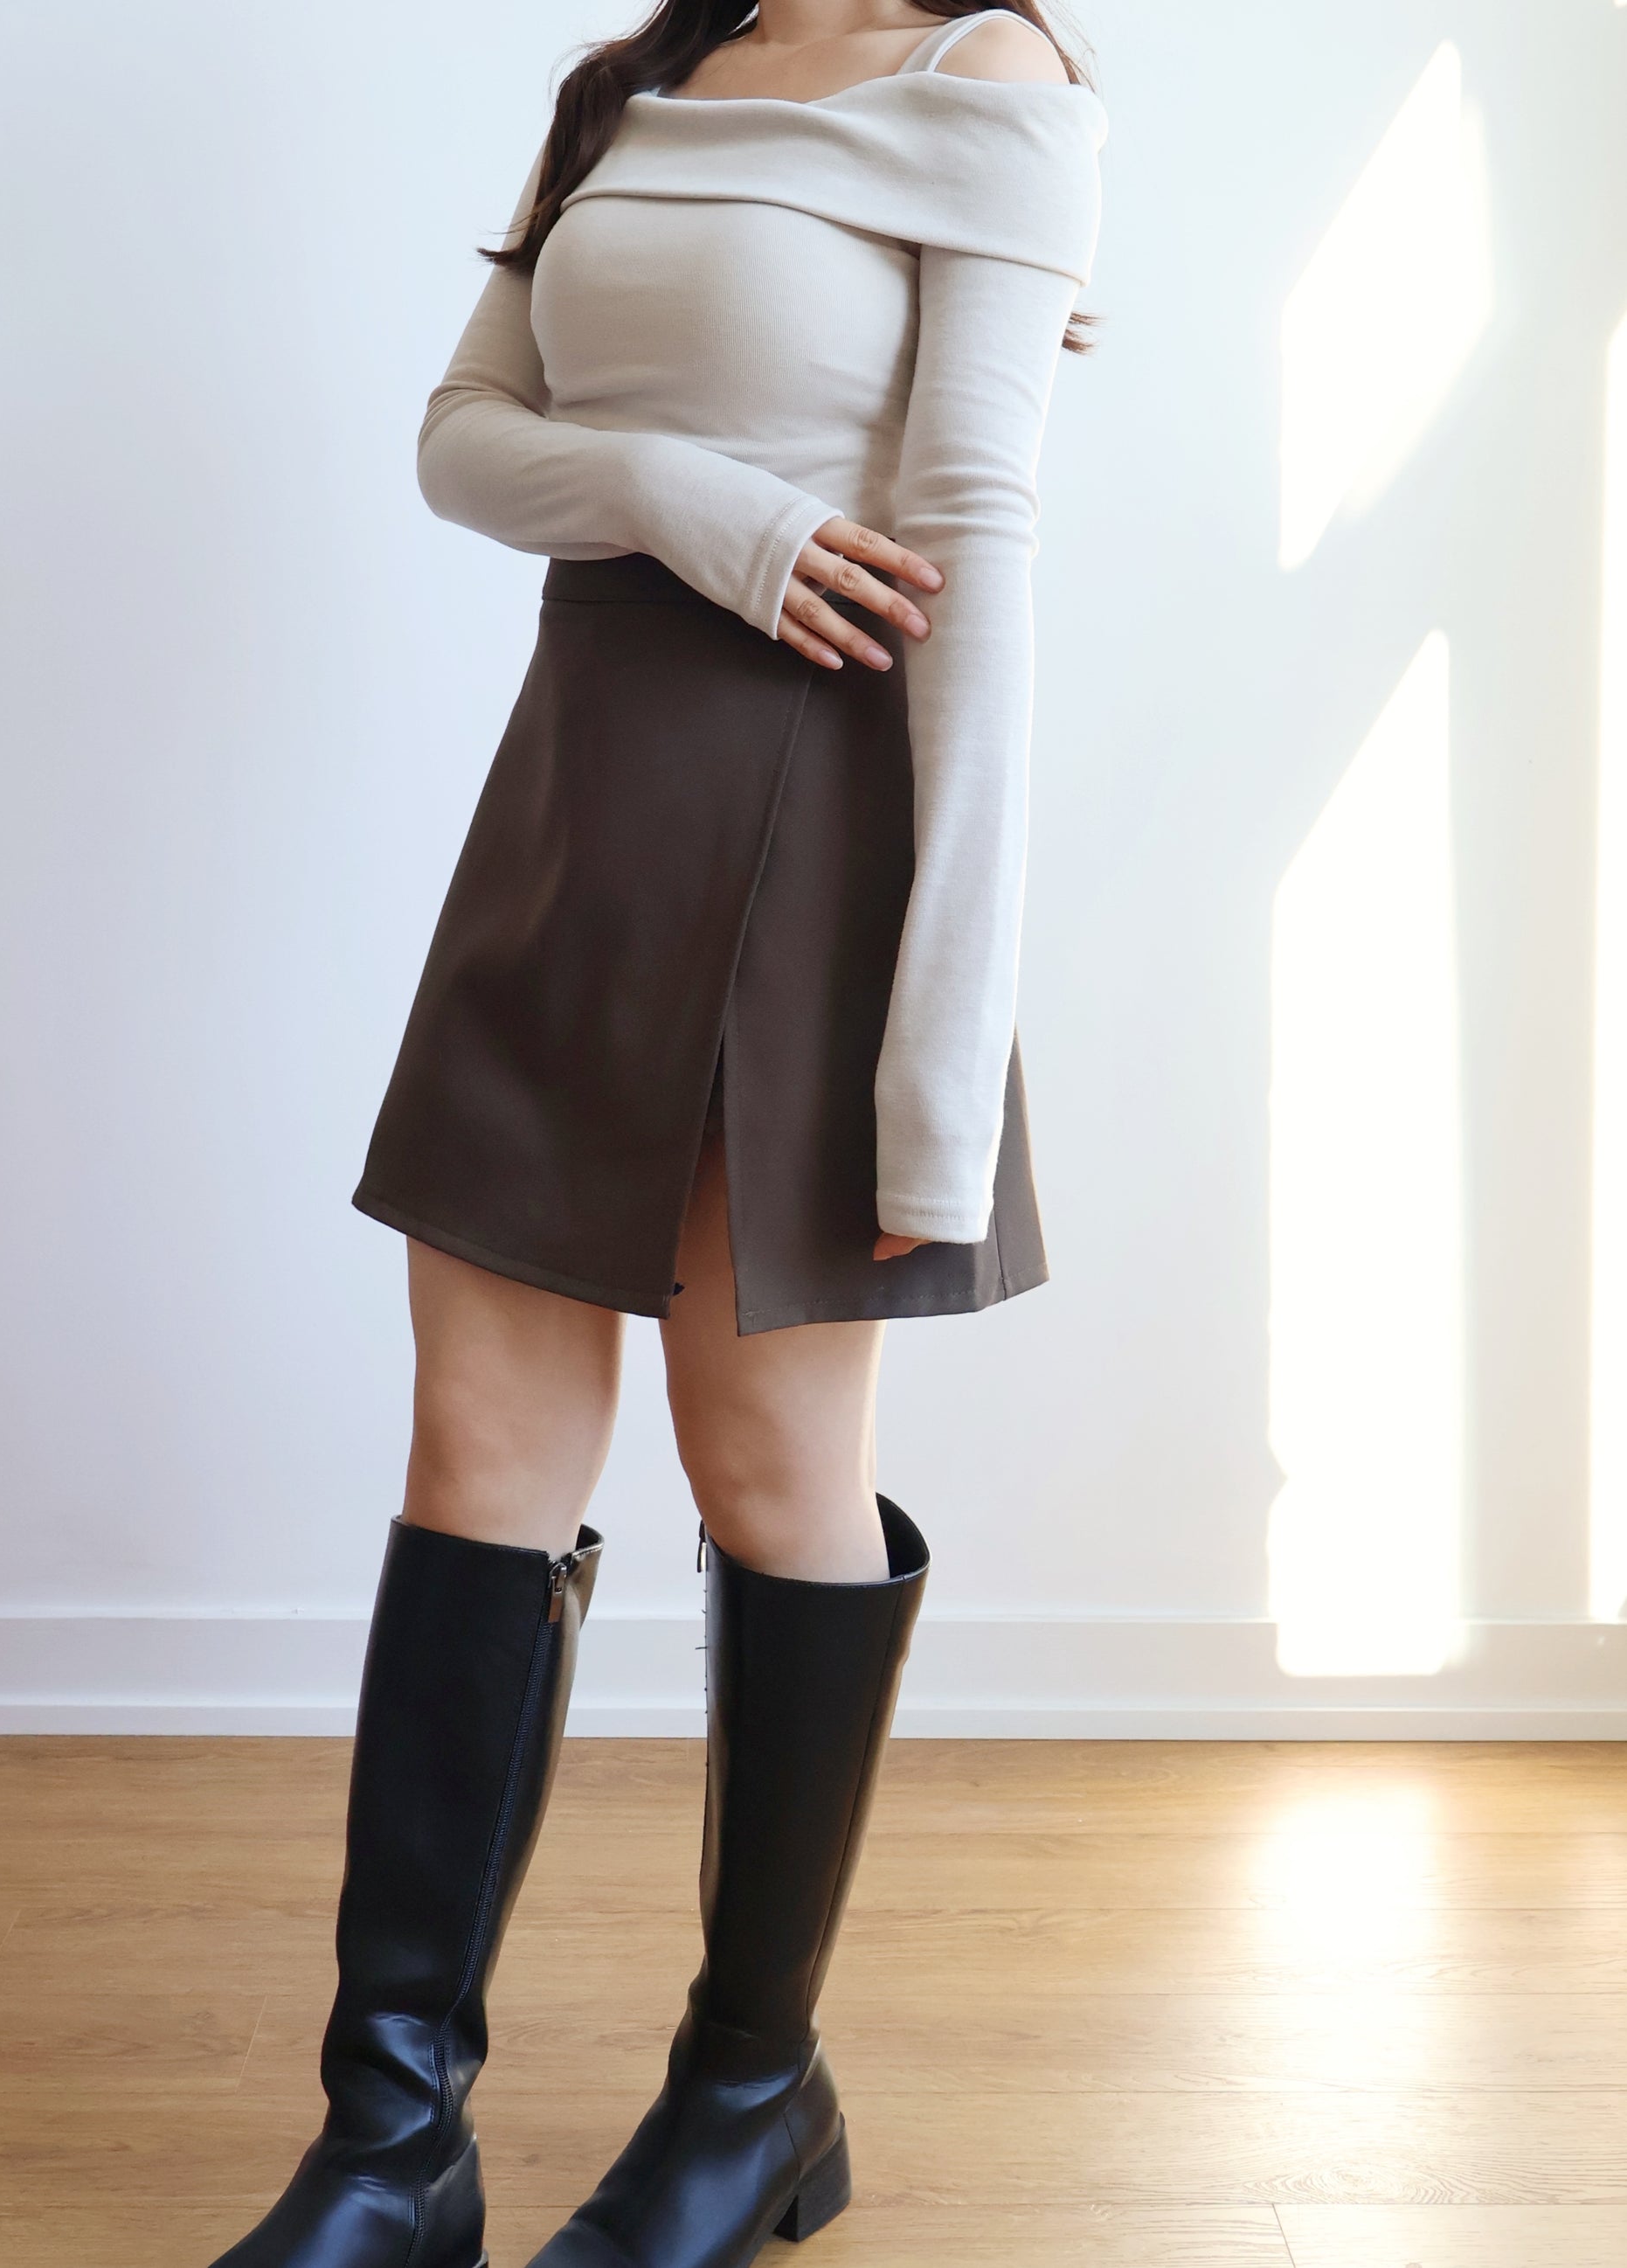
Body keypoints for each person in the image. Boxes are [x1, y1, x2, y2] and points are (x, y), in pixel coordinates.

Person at [209, 6, 1104, 2265]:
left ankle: (748, 2093)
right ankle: (391, 2142)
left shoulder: (991, 78)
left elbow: (981, 542)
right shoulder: (629, 87)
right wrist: (687, 499)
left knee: (768, 1468)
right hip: (577, 798)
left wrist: (940, 1045)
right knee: (475, 1451)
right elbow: (463, 443)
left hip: (818, 818)